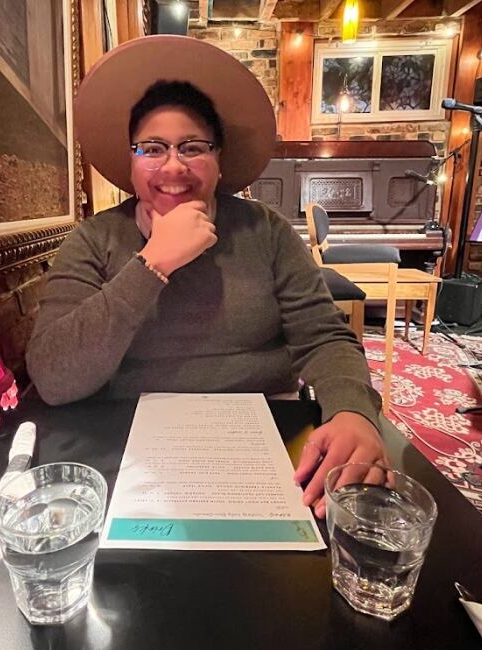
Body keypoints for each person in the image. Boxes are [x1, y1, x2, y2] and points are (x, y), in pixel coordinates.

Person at [26, 36, 388, 518]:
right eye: (151, 148)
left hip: (264, 431)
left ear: (219, 163)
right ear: (132, 164)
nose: (173, 165)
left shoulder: (266, 231)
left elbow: (325, 337)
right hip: (124, 439)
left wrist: (351, 410)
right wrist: (153, 263)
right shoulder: (95, 240)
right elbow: (53, 376)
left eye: (193, 147)